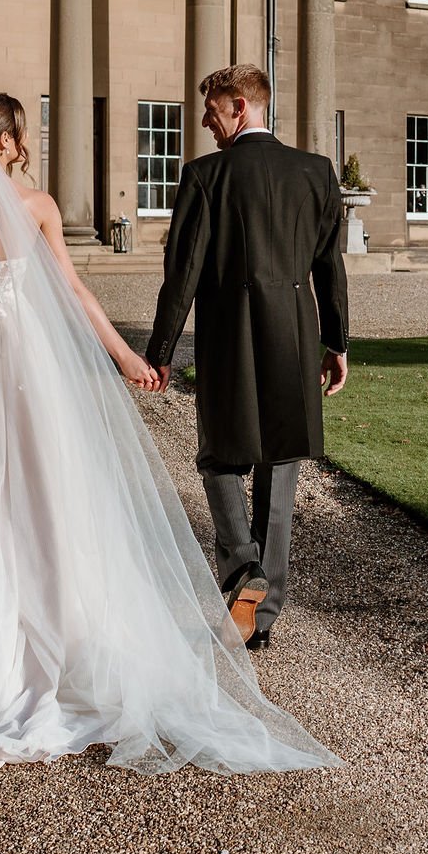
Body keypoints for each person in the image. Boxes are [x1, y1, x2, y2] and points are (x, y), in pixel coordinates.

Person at [0, 92, 337, 777]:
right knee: (40, 492)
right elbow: (76, 293)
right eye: (23, 135)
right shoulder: (38, 206)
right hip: (21, 363)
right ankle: (41, 636)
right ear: (10, 142)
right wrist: (129, 359)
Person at [145, 65, 349, 652]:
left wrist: (161, 353)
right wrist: (336, 343)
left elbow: (181, 277)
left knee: (221, 457)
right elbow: (330, 269)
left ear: (240, 106)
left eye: (211, 110)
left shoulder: (205, 176)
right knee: (280, 464)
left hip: (228, 333)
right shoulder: (315, 173)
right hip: (293, 329)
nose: (206, 122)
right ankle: (262, 612)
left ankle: (242, 577)